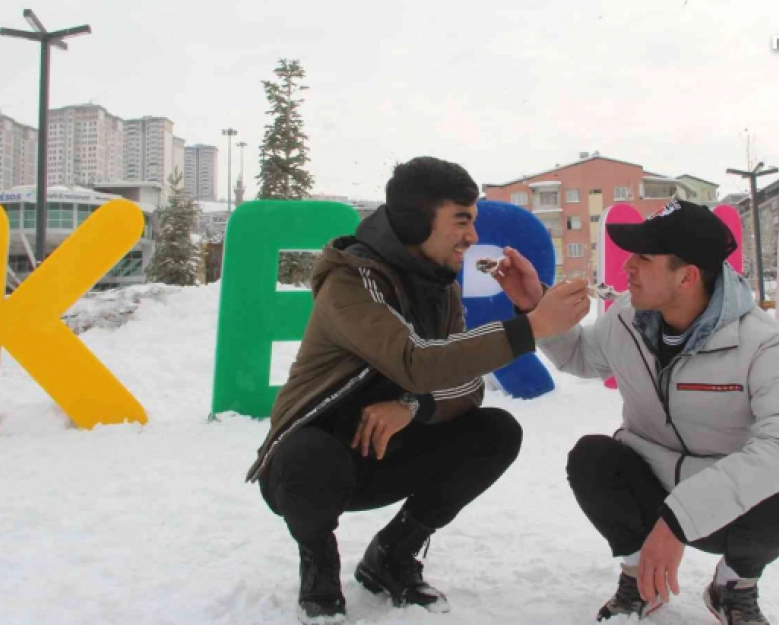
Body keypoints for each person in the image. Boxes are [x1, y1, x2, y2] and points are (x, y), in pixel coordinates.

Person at [244, 156, 590, 624]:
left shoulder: (439, 283)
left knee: (495, 431)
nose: (472, 236)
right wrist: (528, 328)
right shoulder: (351, 279)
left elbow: (465, 383)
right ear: (413, 222)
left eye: (474, 221)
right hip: (315, 461)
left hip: (387, 449)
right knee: (307, 457)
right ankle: (319, 566)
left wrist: (413, 406)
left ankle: (391, 555)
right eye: (461, 221)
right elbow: (415, 360)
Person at [493, 199, 779, 625]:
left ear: (687, 276)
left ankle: (733, 586)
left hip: (718, 496)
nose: (627, 267)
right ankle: (639, 578)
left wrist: (679, 518)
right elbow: (582, 358)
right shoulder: (628, 317)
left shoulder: (763, 341)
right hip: (648, 474)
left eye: (644, 258)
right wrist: (535, 305)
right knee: (593, 458)